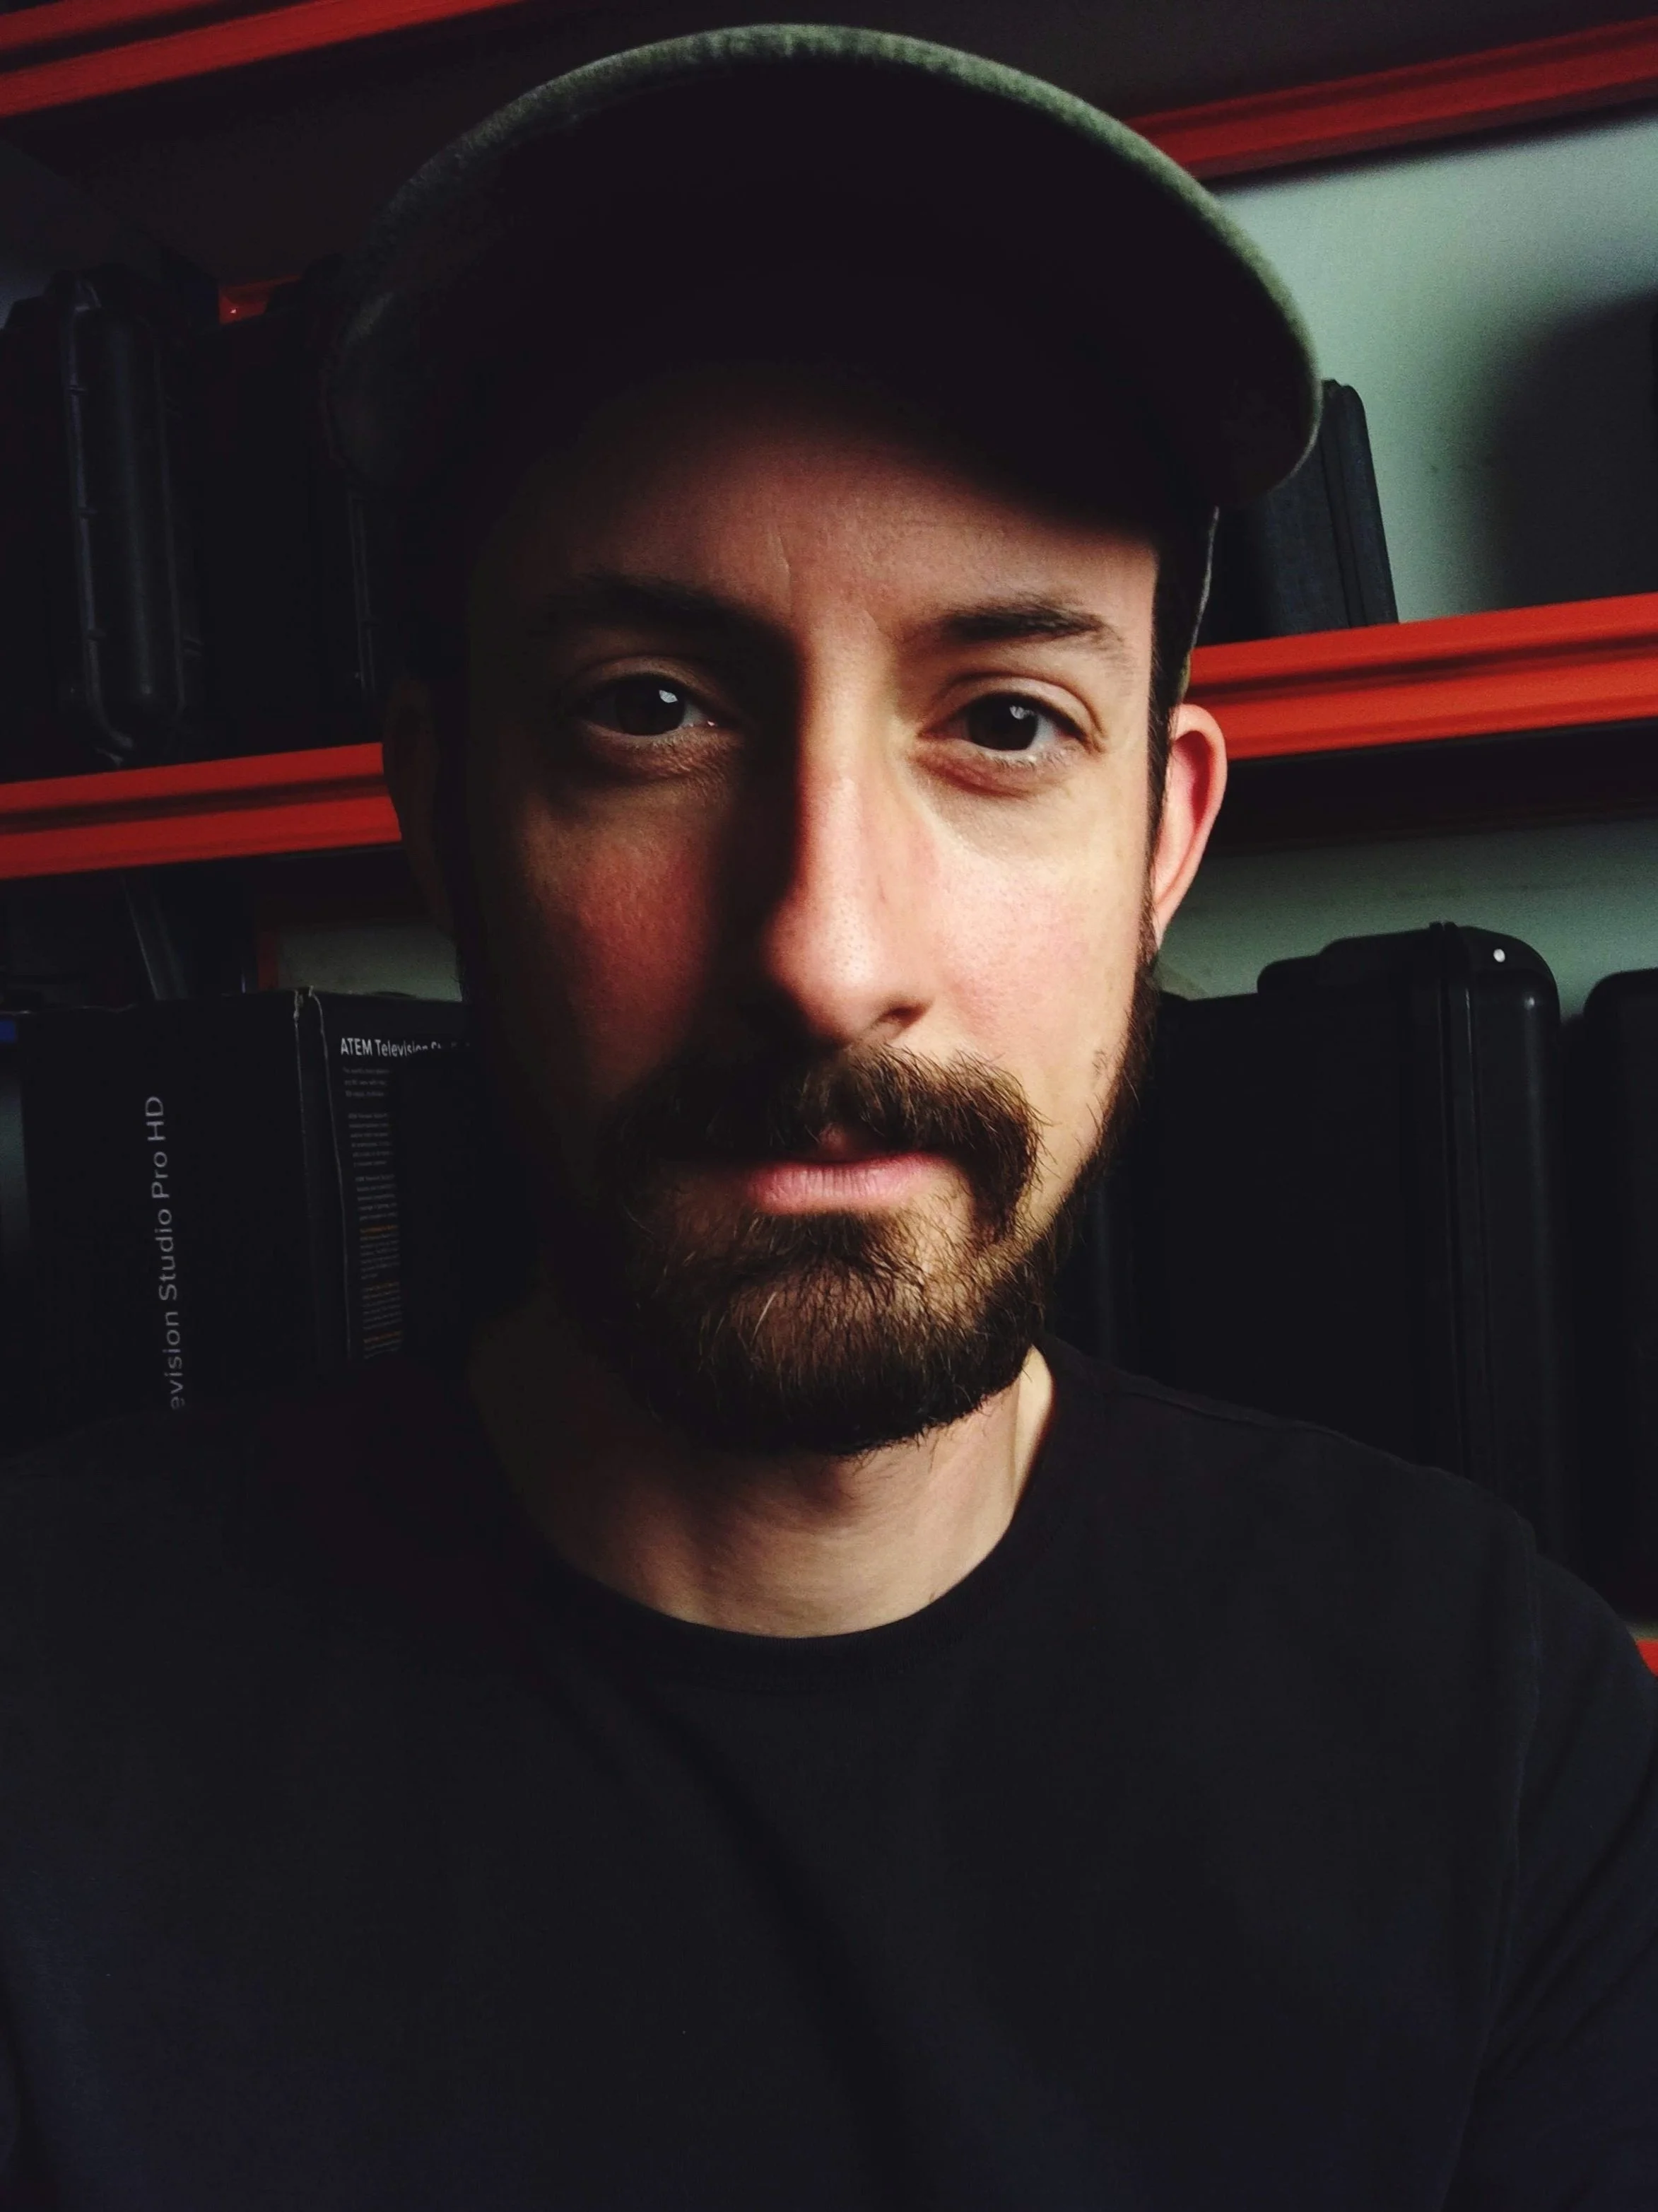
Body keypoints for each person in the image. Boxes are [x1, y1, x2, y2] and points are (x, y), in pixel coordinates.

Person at [1, 25, 1654, 2210]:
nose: (822, 949)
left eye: (1005, 722)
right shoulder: (46, 1706)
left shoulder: (1502, 1734)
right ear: (441, 813)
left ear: (1162, 842)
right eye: (650, 711)